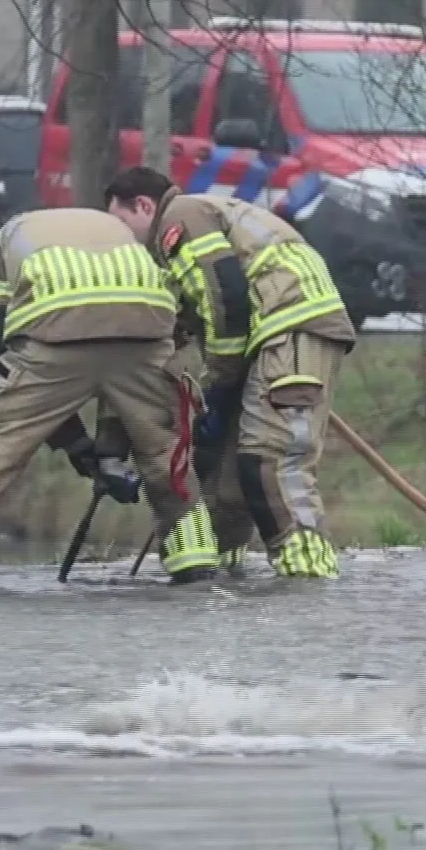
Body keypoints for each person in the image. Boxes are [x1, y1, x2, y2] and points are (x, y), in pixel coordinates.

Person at [0, 207, 222, 587]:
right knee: (166, 453)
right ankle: (197, 563)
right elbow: (119, 372)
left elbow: (7, 349)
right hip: (147, 334)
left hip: (53, 334)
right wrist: (105, 451)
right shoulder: (114, 229)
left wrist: (75, 445)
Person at [103, 166, 353, 578]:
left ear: (144, 206)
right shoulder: (175, 248)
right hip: (268, 337)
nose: (121, 238)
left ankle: (309, 576)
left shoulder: (180, 217)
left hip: (290, 325)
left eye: (122, 223)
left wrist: (220, 384)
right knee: (227, 475)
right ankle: (224, 575)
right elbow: (180, 327)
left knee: (271, 458)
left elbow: (226, 297)